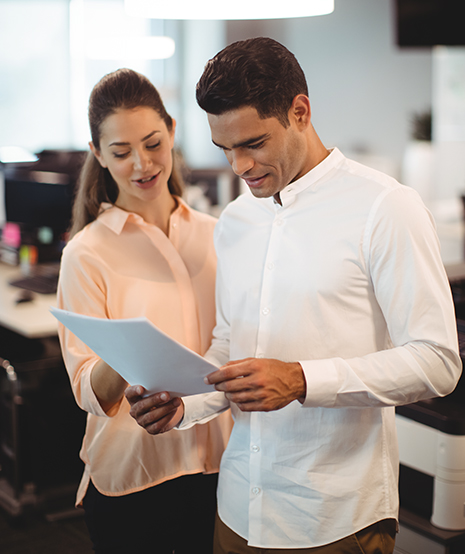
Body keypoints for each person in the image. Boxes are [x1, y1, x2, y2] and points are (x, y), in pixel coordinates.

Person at [126, 38, 462, 553]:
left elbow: (437, 362)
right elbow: (228, 346)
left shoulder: (386, 208)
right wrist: (183, 405)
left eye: (253, 143)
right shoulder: (235, 221)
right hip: (237, 508)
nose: (238, 166)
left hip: (334, 518)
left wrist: (304, 379)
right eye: (224, 149)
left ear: (300, 112)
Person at [56, 68, 232, 554]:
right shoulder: (87, 253)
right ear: (98, 154)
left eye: (153, 143)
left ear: (173, 130)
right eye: (120, 152)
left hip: (220, 469)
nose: (142, 163)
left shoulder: (218, 235)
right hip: (132, 479)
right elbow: (84, 388)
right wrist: (129, 352)